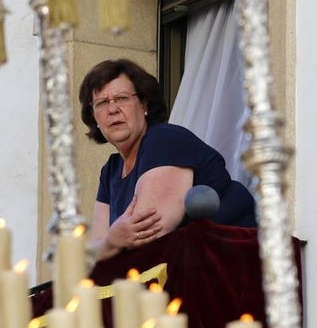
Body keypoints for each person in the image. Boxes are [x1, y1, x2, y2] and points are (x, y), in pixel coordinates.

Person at [79, 59, 256, 260]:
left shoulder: (164, 140)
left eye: (122, 98)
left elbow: (148, 237)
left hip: (231, 266)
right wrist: (111, 241)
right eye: (102, 103)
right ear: (94, 118)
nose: (113, 109)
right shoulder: (110, 170)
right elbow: (94, 253)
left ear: (144, 105)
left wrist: (109, 244)